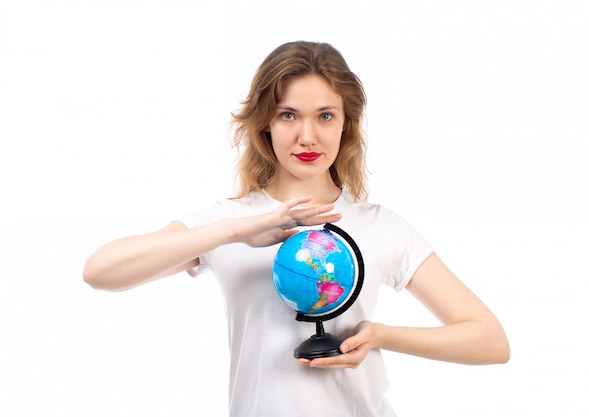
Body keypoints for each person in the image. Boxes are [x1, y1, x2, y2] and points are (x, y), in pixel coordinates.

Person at [83, 41, 510, 417]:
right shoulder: (228, 223)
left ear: (347, 124)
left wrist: (378, 336)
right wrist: (234, 232)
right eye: (288, 115)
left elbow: (490, 340)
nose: (308, 136)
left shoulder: (381, 226)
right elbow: (101, 272)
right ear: (265, 122)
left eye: (325, 116)